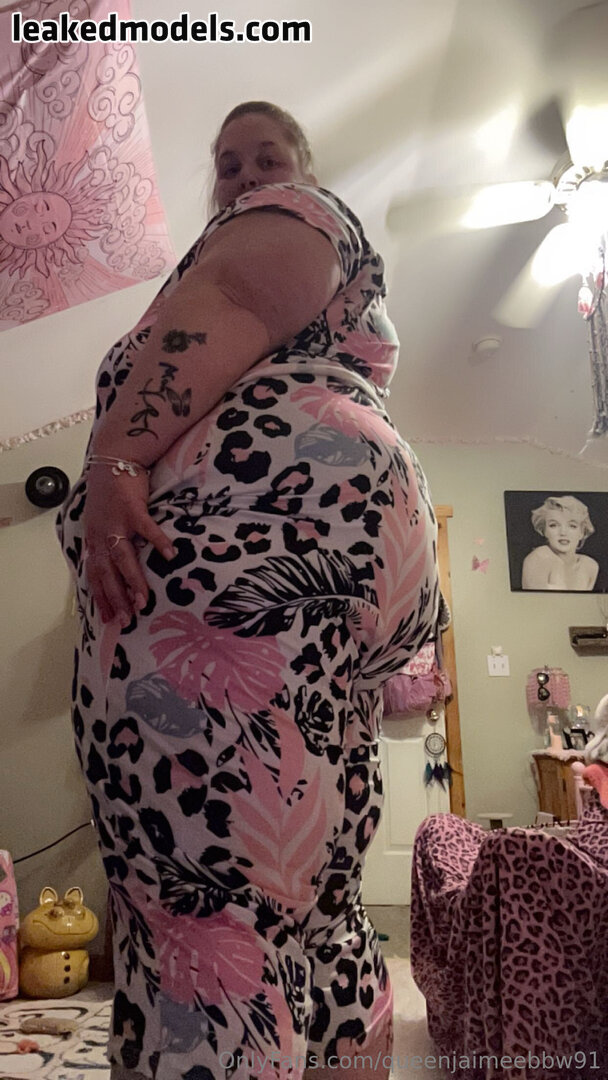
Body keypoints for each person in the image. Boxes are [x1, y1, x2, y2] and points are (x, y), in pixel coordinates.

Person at [55, 101, 439, 1080]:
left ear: (302, 171)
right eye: (228, 165)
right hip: (311, 605)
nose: (247, 177)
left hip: (232, 602)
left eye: (268, 158)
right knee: (317, 904)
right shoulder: (319, 326)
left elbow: (243, 280)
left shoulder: (284, 229)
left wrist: (115, 461)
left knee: (208, 917)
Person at [521, 495, 599, 591]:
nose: (563, 532)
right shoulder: (539, 558)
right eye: (554, 525)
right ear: (544, 531)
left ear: (582, 532)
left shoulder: (590, 566)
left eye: (572, 526)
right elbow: (533, 600)